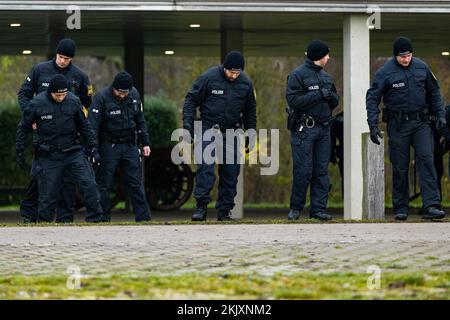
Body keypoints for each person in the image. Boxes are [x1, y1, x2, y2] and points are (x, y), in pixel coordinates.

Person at [366, 36, 447, 220]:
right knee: (400, 167)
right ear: (395, 56)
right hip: (398, 125)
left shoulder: (422, 67)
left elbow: (434, 92)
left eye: (409, 55)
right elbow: (372, 98)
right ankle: (401, 207)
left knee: (427, 160)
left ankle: (432, 205)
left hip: (421, 123)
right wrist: (373, 123)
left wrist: (441, 115)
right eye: (402, 56)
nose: (406, 59)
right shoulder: (385, 72)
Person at [17, 38, 93, 223]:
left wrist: (75, 122)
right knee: (39, 178)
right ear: (56, 54)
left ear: (71, 59)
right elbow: (24, 94)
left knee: (67, 182)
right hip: (44, 135)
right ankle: (29, 214)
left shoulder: (80, 76)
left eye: (66, 58)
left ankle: (65, 218)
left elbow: (86, 103)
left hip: (68, 139)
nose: (62, 61)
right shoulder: (39, 70)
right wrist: (31, 117)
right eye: (60, 57)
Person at [182, 51, 257, 221]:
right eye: (231, 72)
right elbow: (191, 100)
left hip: (231, 131)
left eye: (237, 73)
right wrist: (188, 124)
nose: (234, 76)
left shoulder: (246, 83)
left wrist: (251, 132)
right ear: (224, 67)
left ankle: (224, 211)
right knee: (205, 170)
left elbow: (250, 110)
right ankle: (201, 208)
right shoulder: (208, 78)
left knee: (231, 172)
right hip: (208, 128)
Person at [285, 40, 339, 221]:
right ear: (319, 56)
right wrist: (318, 94)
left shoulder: (326, 77)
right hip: (304, 129)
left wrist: (331, 97)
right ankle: (296, 208)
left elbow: (334, 102)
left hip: (324, 129)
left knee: (321, 171)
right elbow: (293, 101)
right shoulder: (297, 75)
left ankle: (318, 209)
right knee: (303, 170)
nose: (329, 58)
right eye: (326, 55)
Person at [88, 71, 151, 222]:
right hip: (109, 145)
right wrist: (93, 150)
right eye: (120, 92)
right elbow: (93, 127)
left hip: (129, 145)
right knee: (104, 184)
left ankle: (144, 218)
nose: (123, 95)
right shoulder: (101, 98)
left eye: (125, 92)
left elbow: (140, 120)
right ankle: (103, 218)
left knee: (135, 183)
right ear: (114, 88)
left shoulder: (134, 94)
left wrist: (145, 142)